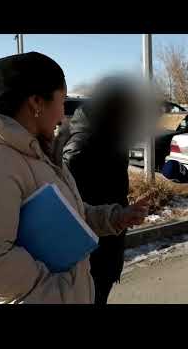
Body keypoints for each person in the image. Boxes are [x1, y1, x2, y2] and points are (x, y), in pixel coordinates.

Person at [0, 52, 148, 304]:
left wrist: (115, 217)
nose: (63, 115)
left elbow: (65, 216)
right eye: (61, 101)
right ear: (36, 103)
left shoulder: (36, 152)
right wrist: (59, 293)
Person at [60, 76, 144, 304]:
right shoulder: (82, 144)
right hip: (90, 250)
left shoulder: (111, 136)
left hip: (109, 236)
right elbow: (69, 207)